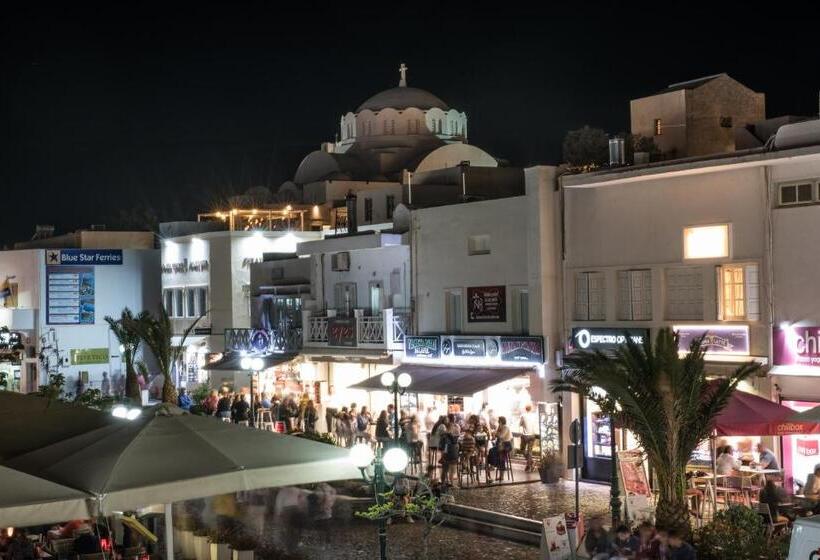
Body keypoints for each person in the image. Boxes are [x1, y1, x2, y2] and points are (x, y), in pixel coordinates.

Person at [519, 404, 538, 472]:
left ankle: (530, 464)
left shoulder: (523, 416)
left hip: (525, 435)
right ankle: (531, 464)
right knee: (530, 451)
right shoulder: (534, 415)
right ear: (531, 409)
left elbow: (520, 424)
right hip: (532, 435)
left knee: (522, 449)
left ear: (525, 409)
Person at [494, 416, 513, 481]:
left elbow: (501, 436)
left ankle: (501, 476)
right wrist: (498, 430)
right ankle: (498, 467)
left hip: (506, 445)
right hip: (501, 445)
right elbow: (495, 435)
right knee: (495, 453)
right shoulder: (500, 428)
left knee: (501, 458)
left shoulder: (505, 427)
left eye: (498, 421)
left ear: (501, 421)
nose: (498, 422)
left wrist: (497, 432)